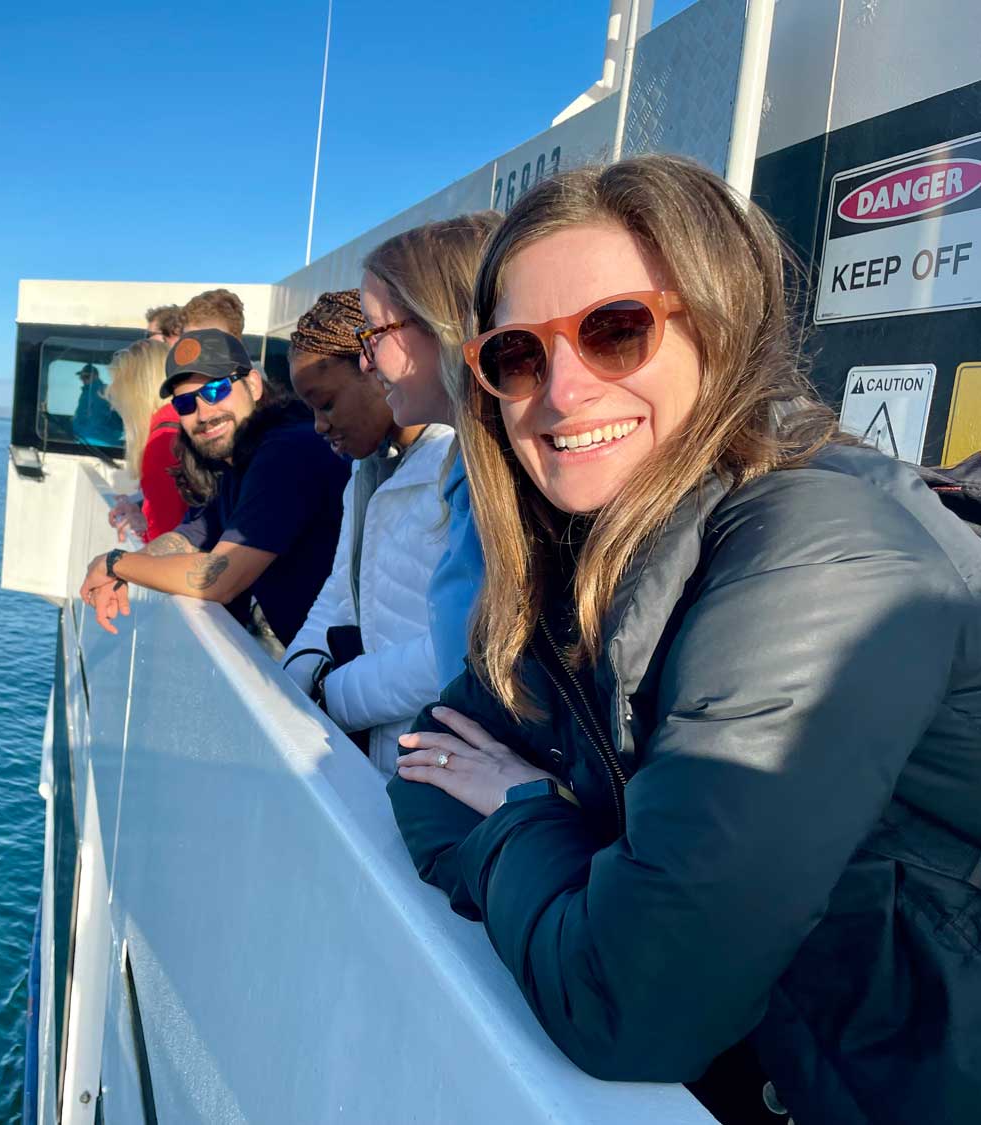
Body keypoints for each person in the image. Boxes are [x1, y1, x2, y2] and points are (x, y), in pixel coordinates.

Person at [387, 156, 981, 1125]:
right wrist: (572, 856)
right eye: (519, 356)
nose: (564, 392)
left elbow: (634, 1002)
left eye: (616, 331)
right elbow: (429, 759)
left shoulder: (819, 557)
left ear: (721, 324)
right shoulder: (589, 561)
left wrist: (525, 811)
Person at [78, 328, 347, 647]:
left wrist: (114, 562)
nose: (203, 413)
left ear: (253, 384)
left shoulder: (287, 451)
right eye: (185, 404)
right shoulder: (235, 459)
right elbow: (190, 534)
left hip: (347, 673)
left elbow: (219, 578)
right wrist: (123, 572)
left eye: (216, 390)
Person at [281, 290, 453, 775]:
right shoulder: (367, 471)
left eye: (327, 403)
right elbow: (341, 586)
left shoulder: (456, 469)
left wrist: (335, 695)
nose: (318, 426)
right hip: (386, 755)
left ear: (374, 366)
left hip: (435, 766)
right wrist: (295, 674)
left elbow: (459, 650)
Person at [359, 212, 501, 685]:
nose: (364, 361)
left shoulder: (521, 482)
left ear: (443, 324)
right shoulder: (469, 469)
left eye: (373, 333)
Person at [101, 338, 185, 542]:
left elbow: (165, 545)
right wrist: (140, 508)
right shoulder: (179, 422)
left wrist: (142, 530)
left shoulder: (162, 443)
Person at [70, 362, 123, 447]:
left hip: (97, 440)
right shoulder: (87, 392)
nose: (83, 380)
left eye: (86, 377)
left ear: (96, 376)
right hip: (84, 439)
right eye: (81, 377)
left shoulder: (104, 392)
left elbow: (108, 416)